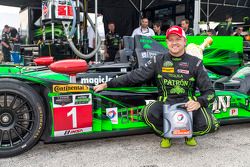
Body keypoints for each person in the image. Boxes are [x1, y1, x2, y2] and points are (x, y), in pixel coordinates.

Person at [94, 26, 219, 148]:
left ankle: (188, 133)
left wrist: (198, 102)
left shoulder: (195, 62)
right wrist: (108, 84)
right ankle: (167, 133)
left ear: (185, 41)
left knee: (210, 125)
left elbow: (210, 92)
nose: (174, 43)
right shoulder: (158, 60)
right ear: (167, 42)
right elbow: (135, 76)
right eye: (171, 40)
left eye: (178, 39)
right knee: (147, 113)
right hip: (166, 105)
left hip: (188, 106)